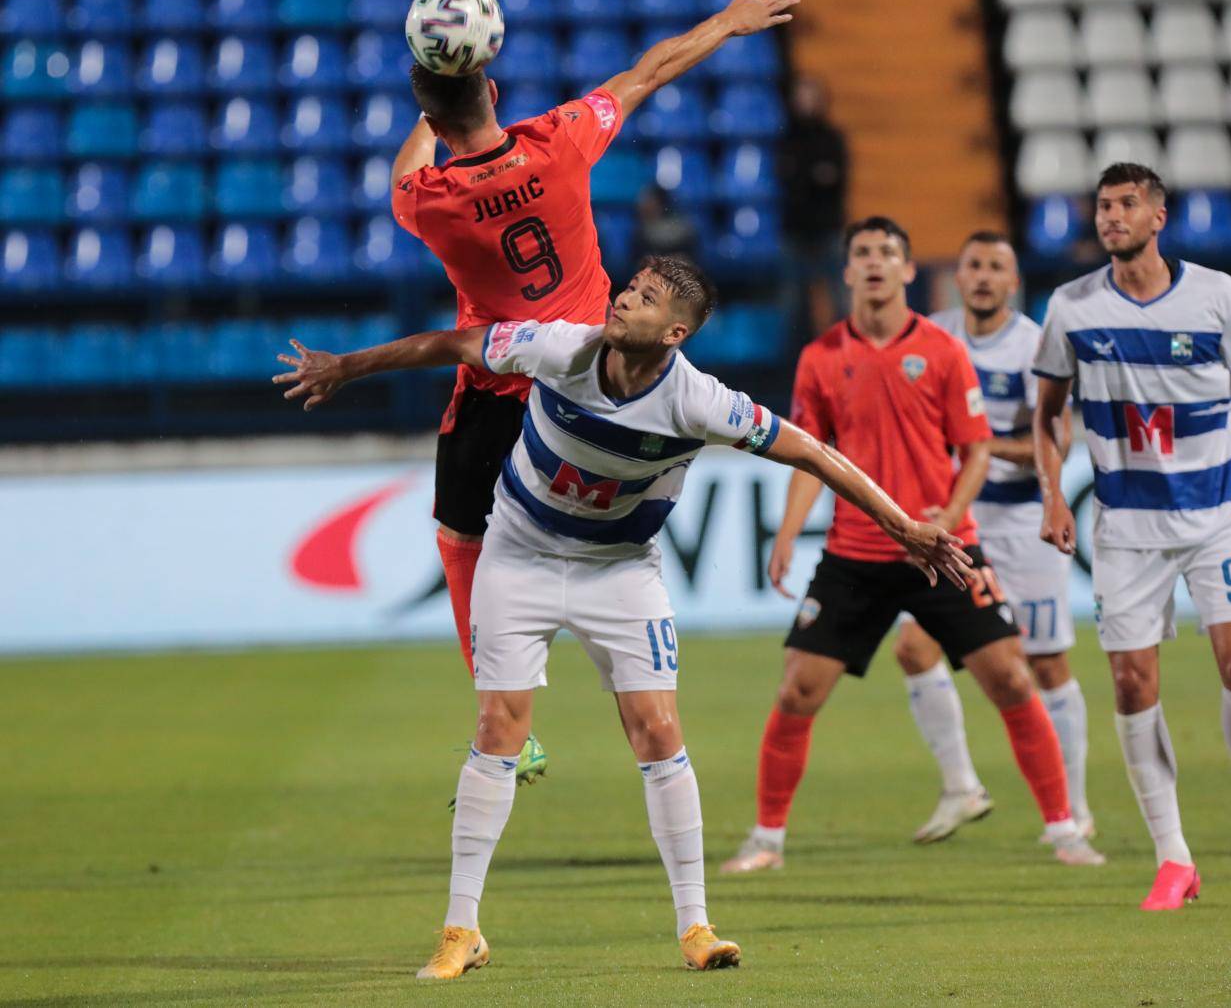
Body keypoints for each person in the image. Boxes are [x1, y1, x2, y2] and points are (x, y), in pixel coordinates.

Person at [273, 256, 973, 978]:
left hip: (619, 572)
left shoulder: (700, 402)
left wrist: (902, 527)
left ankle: (696, 927)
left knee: (658, 731)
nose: (622, 299)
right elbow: (451, 344)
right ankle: (461, 929)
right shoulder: (555, 347)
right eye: (627, 287)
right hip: (520, 557)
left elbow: (815, 454)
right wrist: (347, 366)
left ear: (674, 332)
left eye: (642, 299)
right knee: (497, 728)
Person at [388, 0, 801, 785]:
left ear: (435, 116)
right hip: (589, 376)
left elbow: (402, 179)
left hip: (502, 381)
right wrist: (724, 21)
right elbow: (647, 73)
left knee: (460, 536)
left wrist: (428, 103)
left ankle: (507, 714)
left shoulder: (432, 201)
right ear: (495, 87)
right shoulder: (559, 142)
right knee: (614, 545)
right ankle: (644, 703)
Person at [721, 217, 1102, 875]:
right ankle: (767, 840)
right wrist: (787, 535)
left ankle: (1065, 829)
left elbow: (976, 447)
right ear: (847, 273)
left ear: (906, 270)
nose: (874, 263)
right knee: (798, 690)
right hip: (856, 554)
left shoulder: (944, 351)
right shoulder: (820, 358)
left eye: (887, 253)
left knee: (1013, 677)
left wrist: (949, 520)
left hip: (946, 551)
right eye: (862, 253)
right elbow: (811, 458)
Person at [1032, 163, 1231, 910]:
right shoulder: (1072, 307)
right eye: (1103, 206)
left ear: (1159, 216)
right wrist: (1053, 495)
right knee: (1129, 683)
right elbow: (1047, 409)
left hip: (1218, 513)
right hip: (1125, 526)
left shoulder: (1218, 296)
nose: (1110, 217)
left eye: (1126, 205)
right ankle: (1173, 856)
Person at [893, 230, 1095, 847]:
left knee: (1044, 664)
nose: (982, 276)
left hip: (1020, 522)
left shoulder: (1035, 346)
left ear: (1014, 282)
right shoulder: (928, 336)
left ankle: (1075, 809)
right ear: (958, 276)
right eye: (973, 264)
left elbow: (1056, 444)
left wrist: (974, 447)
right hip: (953, 525)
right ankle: (961, 787)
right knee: (913, 648)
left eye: (996, 267)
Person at [777, 74, 850, 336]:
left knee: (841, 296)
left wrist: (804, 177)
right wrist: (813, 177)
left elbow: (835, 179)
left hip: (828, 226)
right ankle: (792, 362)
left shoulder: (832, 138)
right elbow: (788, 179)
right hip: (795, 229)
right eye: (800, 95)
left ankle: (849, 352)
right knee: (792, 302)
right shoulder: (785, 139)